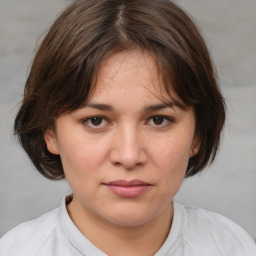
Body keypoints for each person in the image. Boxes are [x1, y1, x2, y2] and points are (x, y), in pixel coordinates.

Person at [0, 0, 255, 255]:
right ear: (50, 131)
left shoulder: (232, 247)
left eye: (158, 120)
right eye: (96, 120)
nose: (129, 156)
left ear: (197, 134)